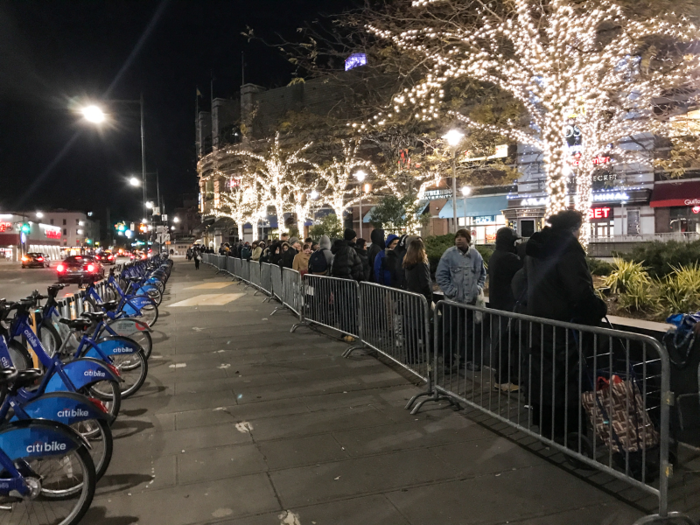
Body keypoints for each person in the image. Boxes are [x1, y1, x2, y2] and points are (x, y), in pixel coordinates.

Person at [523, 210, 607, 441]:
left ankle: (549, 429)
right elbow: (578, 291)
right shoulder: (566, 249)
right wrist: (597, 309)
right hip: (565, 328)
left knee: (545, 376)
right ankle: (570, 434)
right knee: (567, 381)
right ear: (574, 227)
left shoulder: (537, 246)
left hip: (541, 323)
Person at [435, 229, 487, 371]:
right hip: (452, 302)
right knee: (449, 332)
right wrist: (452, 292)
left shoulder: (476, 255)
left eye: (462, 237)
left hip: (470, 301)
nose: (459, 239)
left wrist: (477, 288)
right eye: (457, 237)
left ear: (468, 240)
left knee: (468, 333)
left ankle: (466, 360)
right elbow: (440, 275)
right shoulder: (449, 254)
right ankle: (448, 362)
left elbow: (483, 274)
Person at [488, 227, 524, 392]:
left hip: (498, 304)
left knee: (502, 342)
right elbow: (524, 267)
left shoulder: (496, 255)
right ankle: (503, 380)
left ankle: (502, 379)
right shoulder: (508, 258)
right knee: (505, 343)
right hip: (507, 306)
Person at [404, 238, 433, 306]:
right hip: (422, 300)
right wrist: (429, 299)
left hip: (411, 298)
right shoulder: (421, 265)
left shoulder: (407, 264)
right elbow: (425, 283)